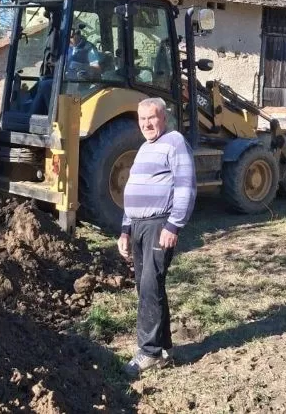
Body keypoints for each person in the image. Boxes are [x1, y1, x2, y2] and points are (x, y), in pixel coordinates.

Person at [117, 97, 197, 377]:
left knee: (150, 284)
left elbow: (186, 185)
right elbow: (132, 189)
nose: (147, 124)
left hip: (158, 223)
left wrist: (173, 225)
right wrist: (125, 229)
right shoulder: (144, 147)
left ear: (164, 118)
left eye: (152, 118)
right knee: (147, 285)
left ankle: (149, 352)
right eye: (142, 120)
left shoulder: (174, 142)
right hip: (138, 224)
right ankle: (163, 348)